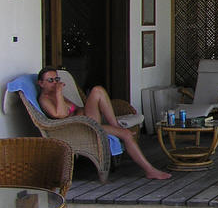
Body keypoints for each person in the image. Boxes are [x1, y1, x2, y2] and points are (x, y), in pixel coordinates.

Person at [37, 67, 171, 180]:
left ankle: (116, 127)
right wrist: (59, 92)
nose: (55, 83)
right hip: (77, 128)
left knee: (98, 90)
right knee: (126, 134)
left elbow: (76, 108)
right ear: (41, 83)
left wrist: (80, 110)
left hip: (84, 120)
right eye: (50, 80)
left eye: (57, 79)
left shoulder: (55, 94)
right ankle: (149, 170)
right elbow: (60, 115)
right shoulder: (45, 99)